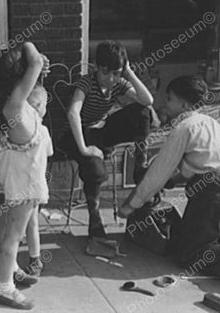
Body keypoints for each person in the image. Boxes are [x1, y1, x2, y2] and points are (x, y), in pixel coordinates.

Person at [118, 75, 220, 292]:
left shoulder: (183, 128)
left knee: (191, 255)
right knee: (206, 243)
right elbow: (208, 163)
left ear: (184, 104)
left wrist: (130, 205)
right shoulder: (210, 122)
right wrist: (174, 180)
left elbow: (157, 174)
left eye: (169, 99)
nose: (165, 104)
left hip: (210, 198)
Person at [58, 40, 154, 247]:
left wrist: (128, 73)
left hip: (101, 130)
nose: (110, 78)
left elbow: (147, 101)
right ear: (95, 67)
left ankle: (140, 169)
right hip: (78, 134)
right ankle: (95, 221)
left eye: (116, 73)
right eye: (105, 72)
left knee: (143, 113)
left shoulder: (118, 82)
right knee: (94, 169)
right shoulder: (86, 82)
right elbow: (73, 113)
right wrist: (84, 149)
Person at [0, 42, 52, 309]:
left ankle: (10, 268)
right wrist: (25, 44)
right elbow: (35, 62)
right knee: (14, 236)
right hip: (24, 183)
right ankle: (5, 288)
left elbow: (36, 65)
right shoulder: (15, 107)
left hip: (16, 177)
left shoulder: (12, 104)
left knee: (7, 231)